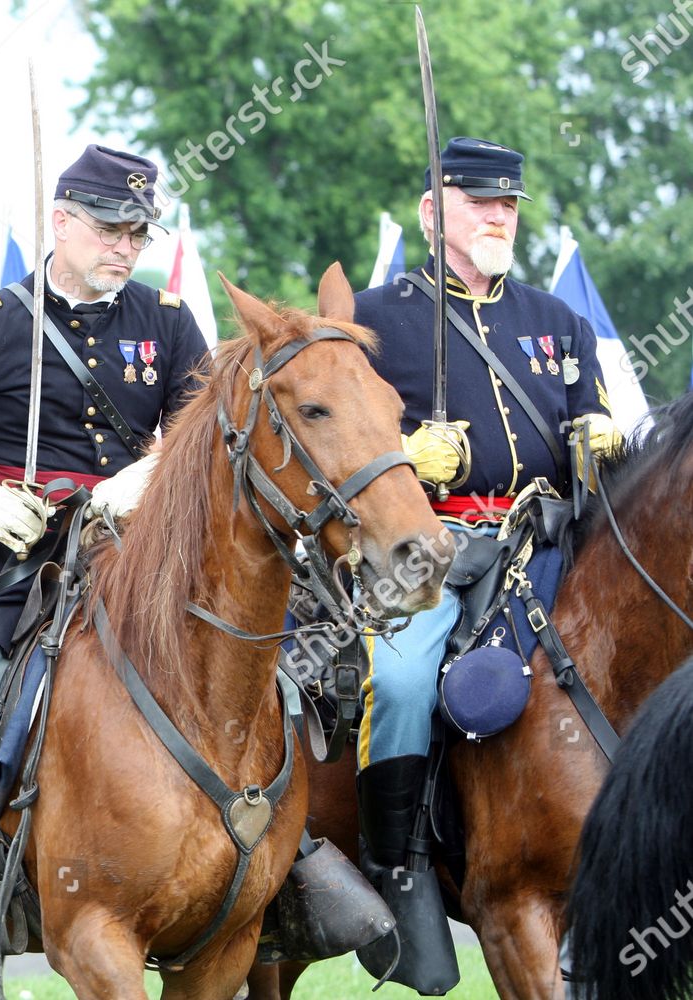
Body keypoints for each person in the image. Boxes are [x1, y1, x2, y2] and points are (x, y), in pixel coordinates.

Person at [0, 144, 210, 971]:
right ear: (61, 222)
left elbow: (206, 431)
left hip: (134, 555)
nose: (126, 247)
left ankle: (278, 871)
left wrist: (137, 481)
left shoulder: (165, 323)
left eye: (138, 232)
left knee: (259, 676)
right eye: (110, 230)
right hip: (4, 562)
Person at [352, 137, 620, 988]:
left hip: (547, 541)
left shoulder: (558, 321)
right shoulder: (376, 317)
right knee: (396, 684)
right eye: (479, 203)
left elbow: (595, 422)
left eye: (508, 204)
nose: (499, 216)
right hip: (426, 547)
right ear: (436, 215)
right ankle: (397, 869)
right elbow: (336, 446)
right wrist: (404, 452)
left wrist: (599, 442)